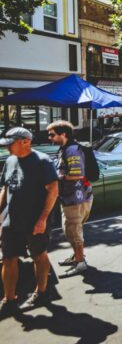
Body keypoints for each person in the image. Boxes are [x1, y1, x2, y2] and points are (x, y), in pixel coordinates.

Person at [0, 128, 59, 316]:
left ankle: (42, 292)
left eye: (11, 143)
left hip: (35, 220)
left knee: (38, 255)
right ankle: (9, 299)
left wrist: (42, 219)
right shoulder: (10, 161)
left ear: (26, 141)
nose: (8, 147)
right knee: (8, 258)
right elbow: (6, 188)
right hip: (12, 219)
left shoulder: (42, 161)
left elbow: (53, 190)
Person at [47, 121, 93, 277]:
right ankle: (77, 257)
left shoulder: (72, 150)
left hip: (75, 198)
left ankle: (80, 263)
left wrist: (56, 177)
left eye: (52, 134)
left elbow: (78, 174)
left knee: (72, 231)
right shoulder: (65, 149)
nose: (49, 137)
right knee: (74, 230)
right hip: (76, 196)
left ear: (63, 134)